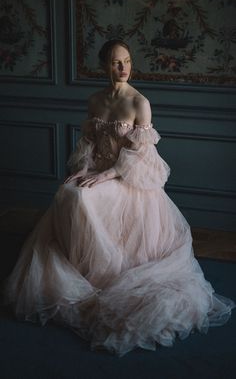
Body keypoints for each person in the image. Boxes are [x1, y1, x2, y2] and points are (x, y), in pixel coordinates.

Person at [4, 39, 235, 356]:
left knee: (83, 199)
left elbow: (141, 158)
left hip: (127, 179)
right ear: (104, 66)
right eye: (115, 62)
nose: (123, 67)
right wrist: (84, 168)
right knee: (68, 192)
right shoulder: (95, 100)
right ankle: (80, 270)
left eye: (126, 60)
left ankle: (102, 274)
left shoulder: (139, 103)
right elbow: (88, 142)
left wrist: (105, 175)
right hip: (98, 171)